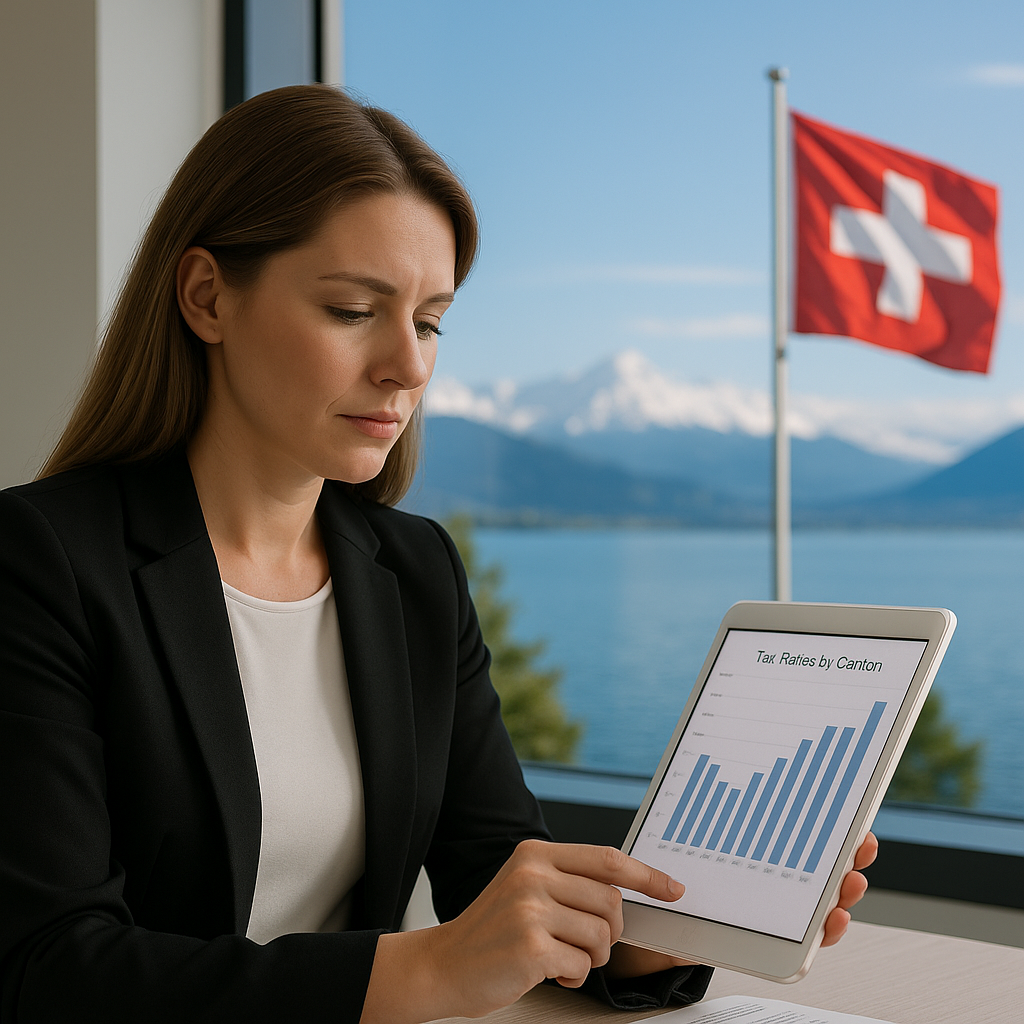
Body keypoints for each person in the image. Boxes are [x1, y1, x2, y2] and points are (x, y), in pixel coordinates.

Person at [0, 85, 875, 1023]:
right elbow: (49, 969)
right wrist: (420, 973)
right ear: (208, 297)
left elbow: (492, 878)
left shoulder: (412, 571)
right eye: (350, 310)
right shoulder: (39, 561)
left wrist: (644, 936)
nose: (409, 368)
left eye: (428, 322)